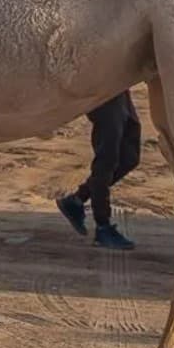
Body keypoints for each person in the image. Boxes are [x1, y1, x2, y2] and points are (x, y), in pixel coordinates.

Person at [56, 90, 143, 250]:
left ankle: (77, 199)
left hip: (121, 86)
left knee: (130, 157)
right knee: (107, 158)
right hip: (103, 86)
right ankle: (103, 226)